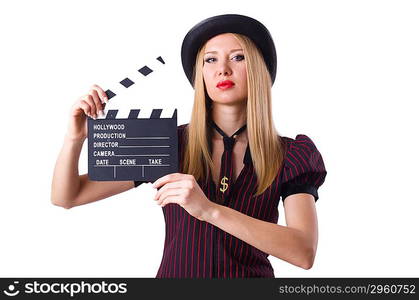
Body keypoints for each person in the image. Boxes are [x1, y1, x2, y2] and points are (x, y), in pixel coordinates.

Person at [51, 14, 327, 278]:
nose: (223, 69)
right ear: (200, 75)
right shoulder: (167, 141)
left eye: (238, 57)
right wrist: (74, 139)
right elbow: (68, 196)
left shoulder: (291, 154)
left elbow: (303, 252)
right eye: (210, 60)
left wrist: (209, 210)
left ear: (258, 69)